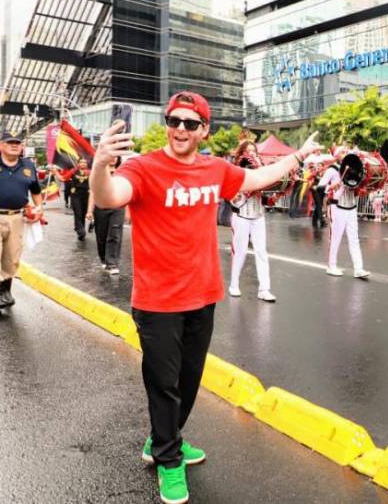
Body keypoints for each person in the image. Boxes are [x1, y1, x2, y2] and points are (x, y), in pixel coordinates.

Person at [90, 91, 321, 504]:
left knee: (189, 382)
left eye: (190, 123)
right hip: (157, 301)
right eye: (174, 121)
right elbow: (109, 197)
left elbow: (255, 179)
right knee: (163, 385)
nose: (180, 129)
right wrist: (99, 165)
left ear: (204, 130)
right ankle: (168, 458)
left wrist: (298, 157)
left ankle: (164, 439)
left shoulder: (215, 169)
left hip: (202, 296)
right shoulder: (144, 168)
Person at [0, 132, 43, 314]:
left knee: (11, 257)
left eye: (17, 143)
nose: (14, 145)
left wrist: (39, 208)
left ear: (21, 146)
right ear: (1, 145)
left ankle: (5, 292)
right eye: (10, 142)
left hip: (17, 218)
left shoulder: (28, 166)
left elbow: (36, 190)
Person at [227, 141, 275, 302]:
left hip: (258, 215)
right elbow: (232, 198)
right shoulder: (236, 172)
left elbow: (265, 198)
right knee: (240, 251)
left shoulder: (261, 172)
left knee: (261, 251)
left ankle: (264, 289)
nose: (252, 154)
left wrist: (274, 197)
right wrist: (242, 194)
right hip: (241, 216)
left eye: (254, 151)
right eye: (248, 152)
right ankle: (234, 284)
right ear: (242, 154)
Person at [319, 146, 370, 278]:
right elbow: (319, 187)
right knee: (335, 238)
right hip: (337, 207)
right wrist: (331, 187)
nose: (345, 153)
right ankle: (331, 266)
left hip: (351, 207)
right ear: (336, 156)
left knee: (354, 238)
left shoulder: (354, 169)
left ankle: (358, 268)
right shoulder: (332, 170)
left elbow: (358, 183)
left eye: (346, 152)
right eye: (342, 152)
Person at [86, 156, 125, 275]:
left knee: (115, 235)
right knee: (101, 236)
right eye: (111, 156)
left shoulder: (123, 172)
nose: (113, 159)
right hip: (101, 207)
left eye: (116, 157)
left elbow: (126, 191)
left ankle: (112, 263)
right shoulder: (99, 173)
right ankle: (103, 258)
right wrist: (89, 210)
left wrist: (128, 211)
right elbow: (93, 192)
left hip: (118, 207)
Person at [67, 157, 91, 240]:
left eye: (85, 162)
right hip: (76, 195)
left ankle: (80, 230)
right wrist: (55, 172)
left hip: (86, 195)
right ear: (78, 163)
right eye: (81, 162)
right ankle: (81, 230)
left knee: (83, 213)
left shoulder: (90, 172)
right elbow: (63, 178)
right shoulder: (73, 171)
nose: (83, 164)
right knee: (78, 212)